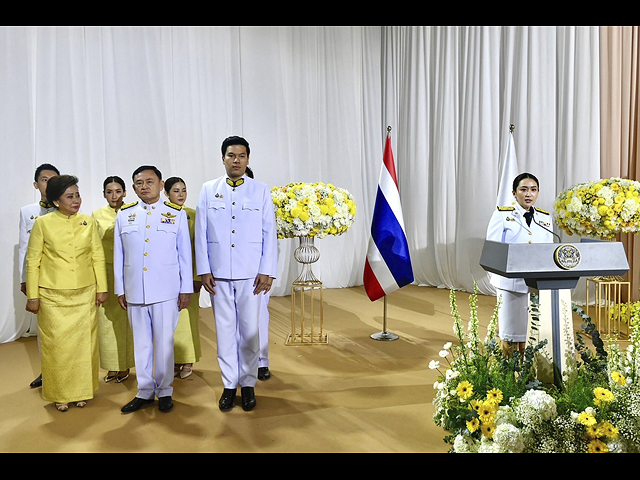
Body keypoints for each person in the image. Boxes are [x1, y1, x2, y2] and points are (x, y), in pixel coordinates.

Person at [195, 136, 277, 412]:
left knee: (250, 331)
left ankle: (249, 383)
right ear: (223, 158)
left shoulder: (261, 190)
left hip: (251, 275)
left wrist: (268, 270)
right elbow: (201, 233)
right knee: (226, 332)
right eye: (231, 155)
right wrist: (204, 269)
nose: (237, 160)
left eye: (242, 156)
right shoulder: (208, 190)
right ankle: (230, 384)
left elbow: (269, 232)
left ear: (248, 159)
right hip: (218, 275)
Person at [25, 175, 108, 412]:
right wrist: (33, 296)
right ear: (56, 200)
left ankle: (82, 391)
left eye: (78, 195)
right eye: (70, 197)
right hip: (53, 296)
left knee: (84, 346)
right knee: (57, 347)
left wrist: (102, 288)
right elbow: (33, 262)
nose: (76, 201)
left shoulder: (87, 222)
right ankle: (60, 394)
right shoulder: (43, 224)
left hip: (85, 293)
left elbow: (97, 256)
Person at [114, 166, 193, 414]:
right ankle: (145, 391)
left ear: (161, 185)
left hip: (166, 290)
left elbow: (184, 255)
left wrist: (186, 288)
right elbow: (119, 255)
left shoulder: (176, 214)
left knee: (165, 342)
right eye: (139, 183)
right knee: (142, 344)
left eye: (150, 181)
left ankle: (165, 390)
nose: (144, 186)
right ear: (134, 187)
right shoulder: (124, 214)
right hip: (135, 290)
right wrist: (120, 288)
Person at [486, 172, 554, 357]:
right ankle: (507, 375)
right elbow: (493, 250)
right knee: (509, 334)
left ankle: (527, 375)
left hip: (536, 285)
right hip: (510, 284)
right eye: (523, 190)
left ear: (538, 192)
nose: (528, 194)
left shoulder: (544, 218)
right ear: (514, 193)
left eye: (533, 190)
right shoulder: (502, 215)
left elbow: (548, 250)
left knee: (531, 334)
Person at [19, 163, 59, 389]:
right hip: (39, 279)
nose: (49, 183)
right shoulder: (28, 211)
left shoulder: (66, 209)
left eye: (53, 179)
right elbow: (24, 248)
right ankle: (47, 372)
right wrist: (24, 279)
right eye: (44, 180)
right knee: (44, 331)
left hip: (60, 279)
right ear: (36, 184)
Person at [92, 176, 135, 383]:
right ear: (104, 194)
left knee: (129, 319)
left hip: (131, 270)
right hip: (106, 271)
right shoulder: (96, 215)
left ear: (125, 192)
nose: (114, 196)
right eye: (109, 192)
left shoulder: (134, 211)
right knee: (106, 320)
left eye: (118, 191)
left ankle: (126, 364)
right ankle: (112, 365)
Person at [163, 177, 202, 379]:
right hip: (166, 278)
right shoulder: (161, 215)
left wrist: (196, 277)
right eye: (176, 190)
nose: (181, 194)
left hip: (188, 278)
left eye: (184, 190)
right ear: (166, 193)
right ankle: (173, 360)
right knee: (169, 322)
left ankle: (187, 360)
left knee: (187, 320)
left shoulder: (193, 215)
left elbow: (198, 249)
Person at [245, 166, 272, 381]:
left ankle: (262, 361)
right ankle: (241, 361)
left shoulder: (262, 201)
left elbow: (270, 239)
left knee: (259, 316)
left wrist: (268, 272)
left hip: (258, 274)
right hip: (232, 274)